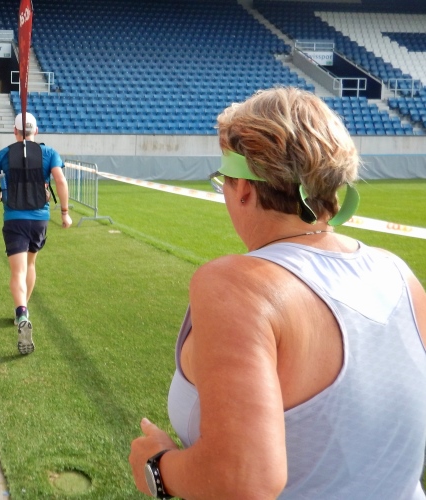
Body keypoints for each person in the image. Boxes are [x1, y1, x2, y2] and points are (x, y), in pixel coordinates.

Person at [129, 87, 426, 499]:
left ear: (244, 188)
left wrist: (157, 467)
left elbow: (243, 478)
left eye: (224, 181)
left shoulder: (235, 285)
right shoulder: (399, 274)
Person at [0, 112, 73, 355]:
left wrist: (1, 196)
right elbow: (61, 181)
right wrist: (64, 213)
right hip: (39, 220)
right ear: (36, 131)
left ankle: (21, 312)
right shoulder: (49, 153)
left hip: (14, 219)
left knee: (17, 271)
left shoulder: (3, 154)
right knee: (30, 265)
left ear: (15, 131)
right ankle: (22, 312)